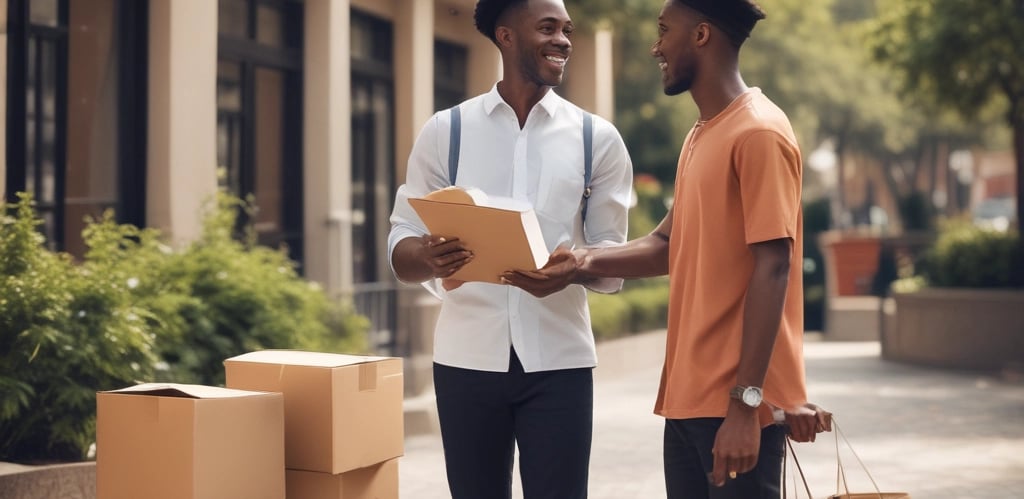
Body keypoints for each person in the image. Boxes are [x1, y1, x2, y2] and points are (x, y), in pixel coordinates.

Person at [501, 0, 831, 497]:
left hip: (737, 409)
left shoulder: (759, 132)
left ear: (700, 35)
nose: (656, 46)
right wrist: (579, 264)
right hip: (688, 402)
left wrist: (746, 407)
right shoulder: (703, 133)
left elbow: (774, 267)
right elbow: (665, 245)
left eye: (663, 31)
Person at [386, 0, 633, 497]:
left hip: (560, 363)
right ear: (506, 36)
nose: (563, 39)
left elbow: (613, 262)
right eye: (547, 27)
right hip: (466, 362)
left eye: (567, 29)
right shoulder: (446, 131)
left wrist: (577, 267)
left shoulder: (596, 139)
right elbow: (400, 242)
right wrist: (427, 257)